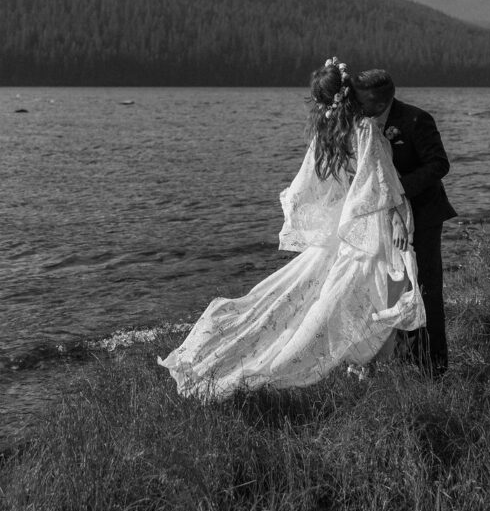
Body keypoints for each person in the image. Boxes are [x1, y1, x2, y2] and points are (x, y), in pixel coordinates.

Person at [158, 58, 425, 396]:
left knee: (351, 297)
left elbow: (322, 185)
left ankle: (363, 373)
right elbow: (378, 182)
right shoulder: (363, 129)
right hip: (372, 228)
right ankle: (358, 371)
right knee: (379, 297)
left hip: (348, 231)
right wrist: (398, 220)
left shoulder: (327, 132)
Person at [352, 69, 455, 375]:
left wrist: (396, 190)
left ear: (378, 99)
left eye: (361, 98)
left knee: (425, 290)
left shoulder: (416, 120)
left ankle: (435, 368)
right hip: (382, 223)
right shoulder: (363, 124)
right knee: (392, 289)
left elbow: (440, 164)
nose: (356, 103)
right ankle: (404, 360)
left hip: (422, 218)